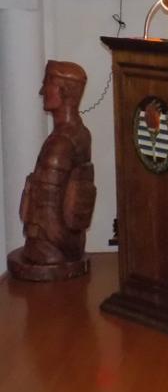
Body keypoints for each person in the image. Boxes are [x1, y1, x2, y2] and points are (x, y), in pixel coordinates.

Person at [14, 61, 96, 276]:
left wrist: (52, 250)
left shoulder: (60, 145)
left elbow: (47, 215)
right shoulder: (81, 133)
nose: (42, 91)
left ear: (64, 91)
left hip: (49, 251)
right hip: (66, 249)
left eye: (47, 84)